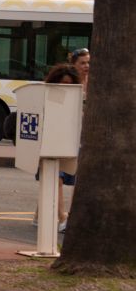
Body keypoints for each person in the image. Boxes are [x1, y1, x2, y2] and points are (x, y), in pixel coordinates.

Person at [34, 62, 82, 232]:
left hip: (67, 143)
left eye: (70, 84)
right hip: (49, 144)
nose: (66, 87)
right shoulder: (49, 95)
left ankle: (39, 215)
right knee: (56, 180)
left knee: (51, 181)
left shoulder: (77, 97)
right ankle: (62, 217)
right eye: (63, 84)